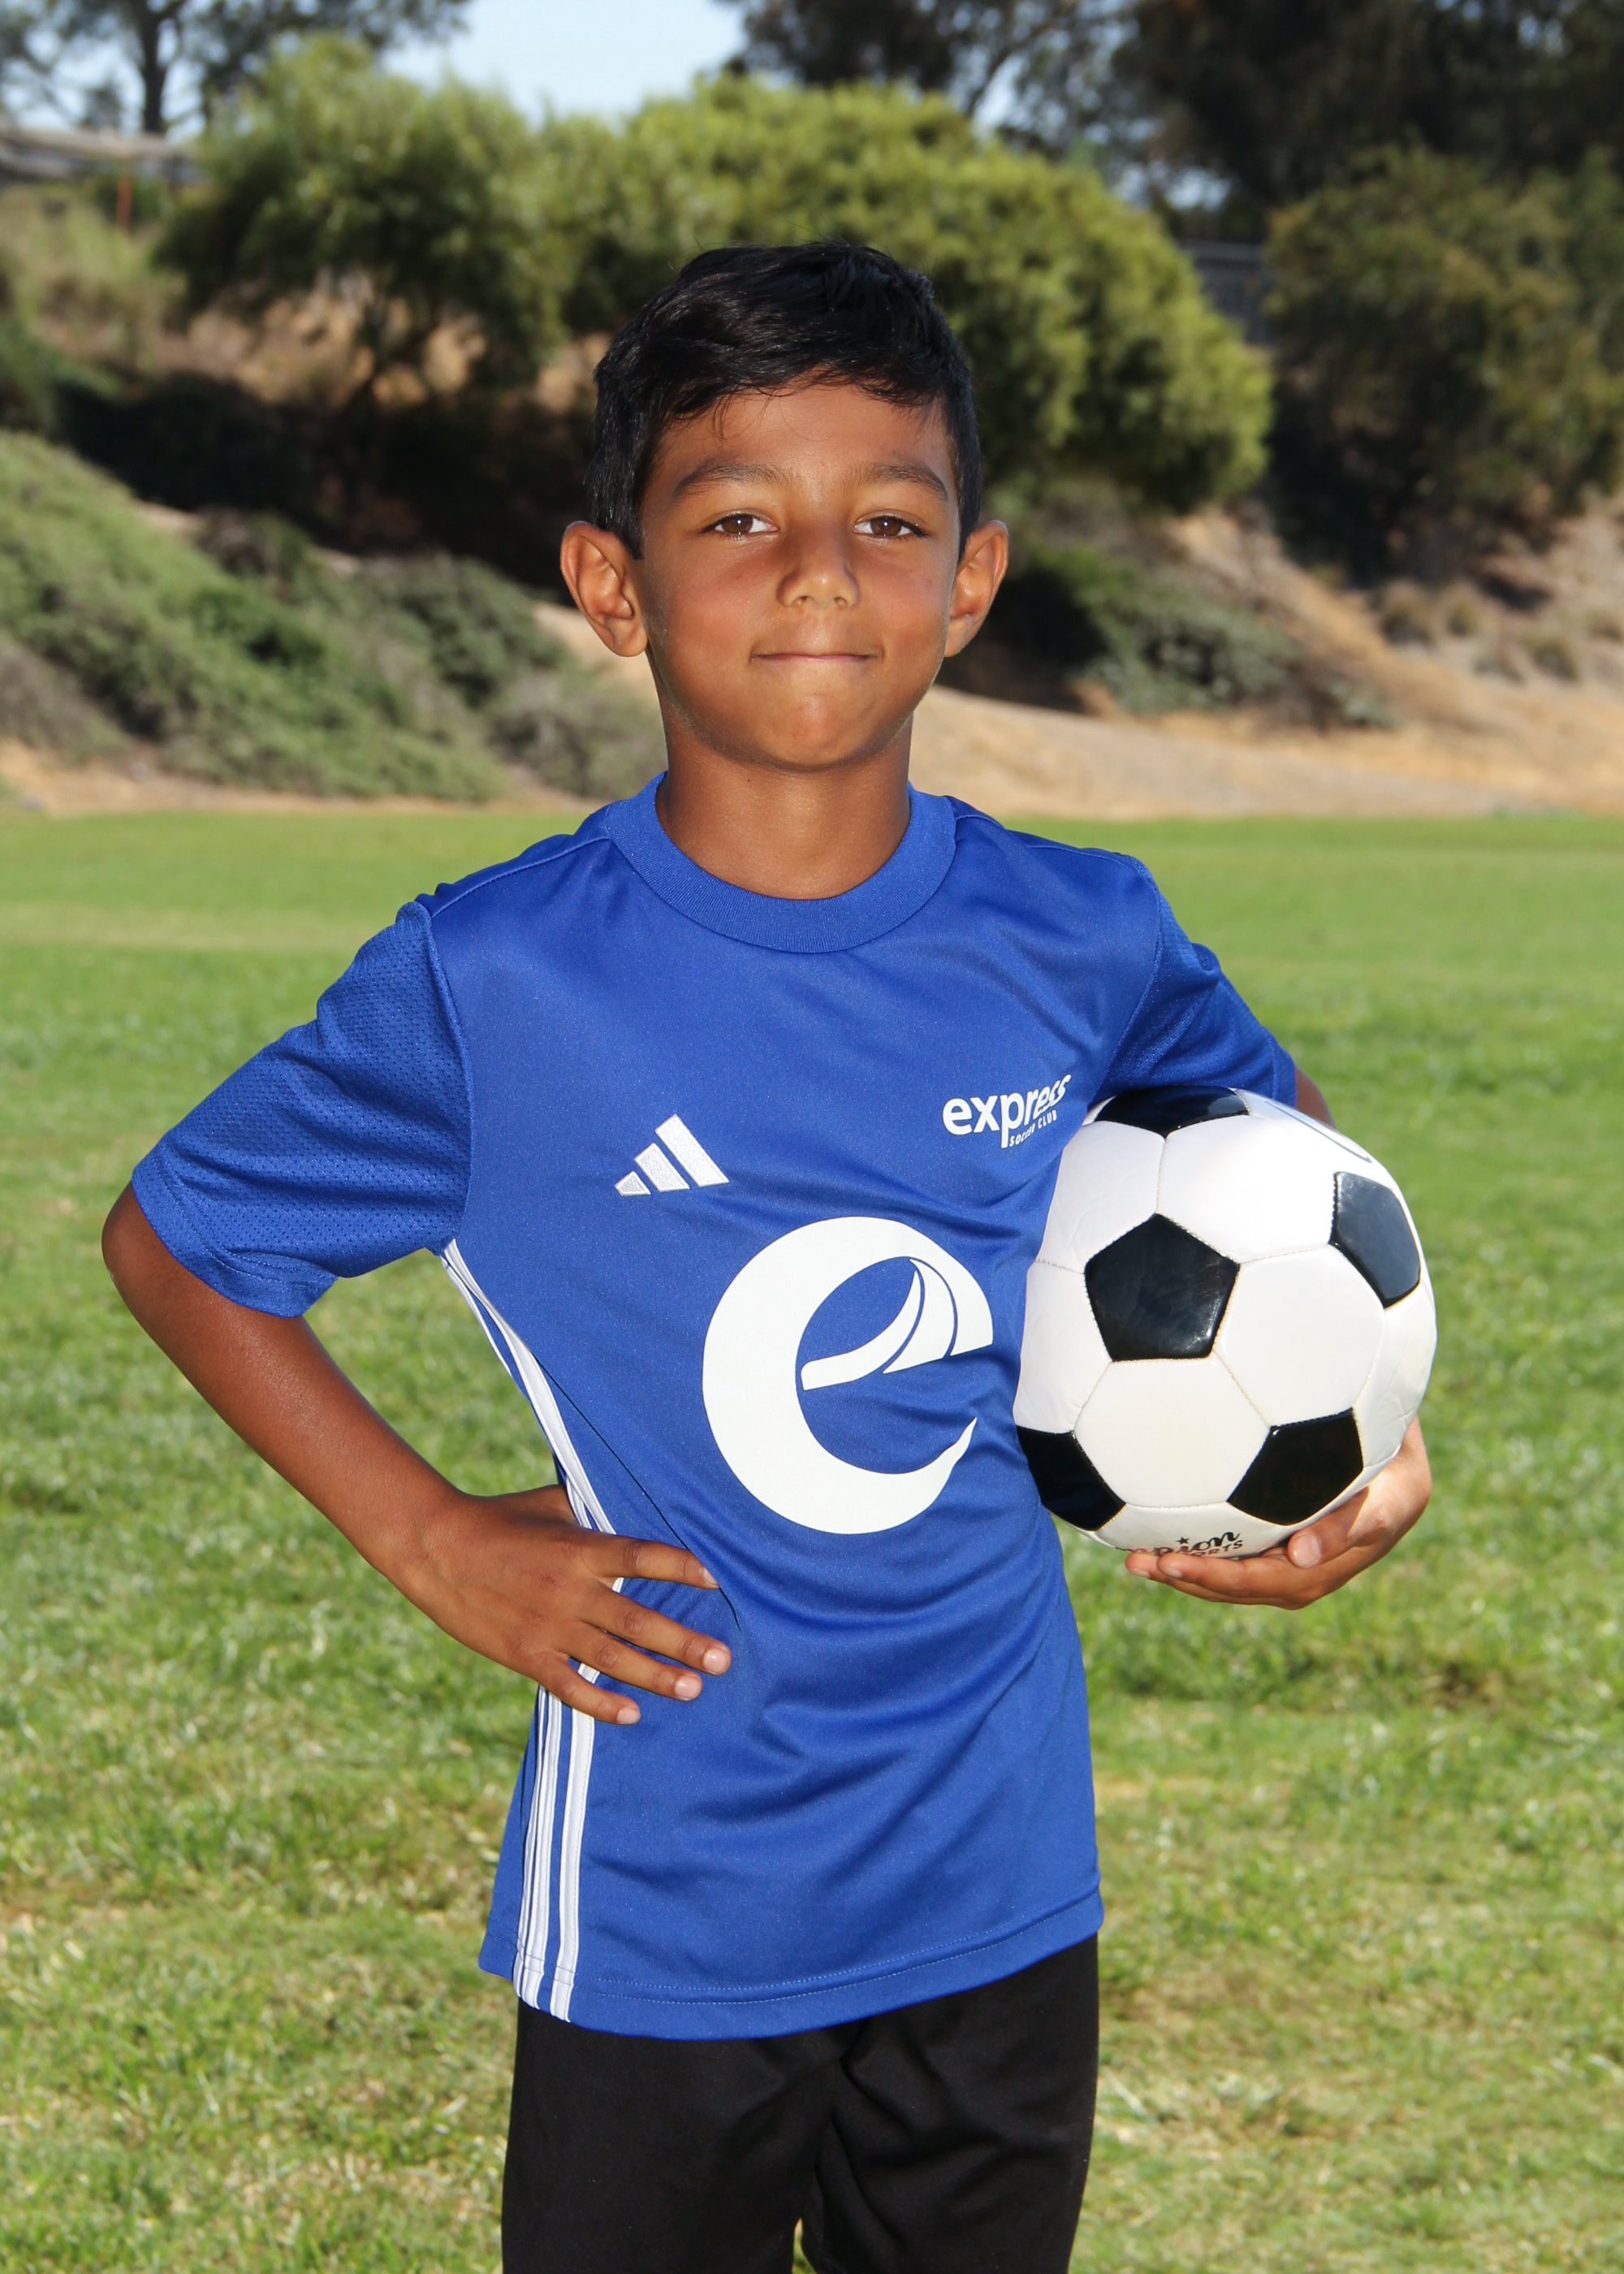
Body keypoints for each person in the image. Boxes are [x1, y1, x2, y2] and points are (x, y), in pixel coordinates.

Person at [102, 242, 1431, 2274]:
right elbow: (183, 1240)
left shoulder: (1083, 933)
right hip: (667, 1908)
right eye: (738, 519)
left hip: (1002, 1887)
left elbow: (1294, 1190)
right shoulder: (497, 977)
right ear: (611, 581)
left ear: (968, 580)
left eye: (886, 520)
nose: (819, 573)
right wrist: (429, 1537)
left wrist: (1363, 1442)